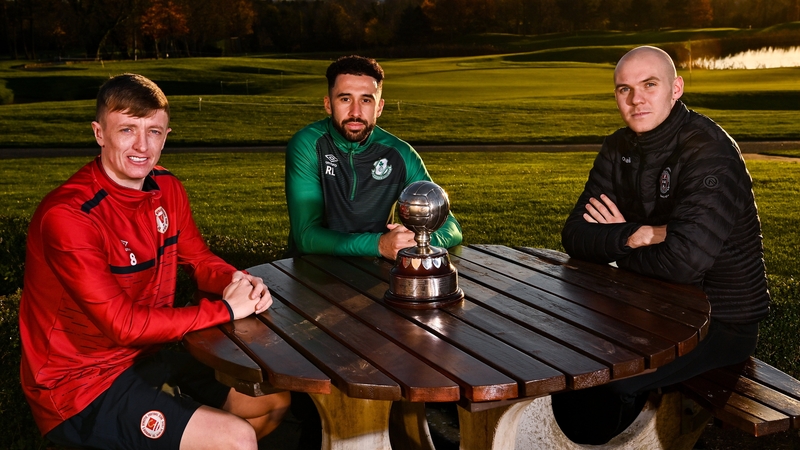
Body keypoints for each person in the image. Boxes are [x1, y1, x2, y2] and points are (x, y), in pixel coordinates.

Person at [19, 73, 290, 450]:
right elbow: (124, 325)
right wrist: (227, 309)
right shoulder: (69, 216)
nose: (142, 146)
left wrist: (238, 281)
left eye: (154, 132)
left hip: (144, 359)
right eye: (127, 130)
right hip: (78, 387)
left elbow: (199, 260)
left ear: (166, 135)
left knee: (270, 402)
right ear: (99, 133)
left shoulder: (167, 188)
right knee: (236, 438)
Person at [556, 46, 770, 444]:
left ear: (676, 89)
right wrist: (639, 233)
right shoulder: (618, 148)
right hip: (649, 306)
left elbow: (683, 264)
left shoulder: (710, 153)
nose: (635, 99)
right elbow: (575, 236)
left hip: (720, 322)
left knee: (607, 383)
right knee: (562, 350)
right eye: (624, 89)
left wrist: (620, 250)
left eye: (649, 85)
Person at [284, 55, 462, 259]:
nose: (355, 112)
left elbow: (452, 227)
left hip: (376, 270)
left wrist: (420, 240)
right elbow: (306, 236)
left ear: (379, 107)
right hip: (312, 268)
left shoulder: (401, 154)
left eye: (366, 100)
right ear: (328, 104)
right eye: (345, 99)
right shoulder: (308, 144)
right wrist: (379, 244)